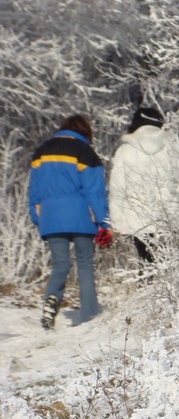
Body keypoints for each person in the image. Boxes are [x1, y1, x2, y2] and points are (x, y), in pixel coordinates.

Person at [28, 114, 111, 329]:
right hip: (81, 216)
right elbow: (95, 192)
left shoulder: (41, 152)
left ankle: (50, 306)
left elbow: (34, 191)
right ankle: (89, 316)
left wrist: (38, 218)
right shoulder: (85, 152)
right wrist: (104, 222)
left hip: (50, 216)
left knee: (61, 264)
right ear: (85, 132)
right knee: (84, 265)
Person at [108, 106, 179, 264]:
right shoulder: (173, 147)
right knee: (168, 263)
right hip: (168, 215)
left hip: (137, 216)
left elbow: (118, 188)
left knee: (146, 262)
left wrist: (117, 220)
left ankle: (146, 285)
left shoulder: (125, 150)